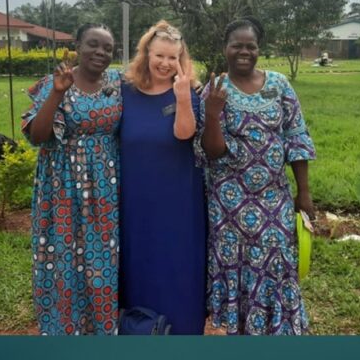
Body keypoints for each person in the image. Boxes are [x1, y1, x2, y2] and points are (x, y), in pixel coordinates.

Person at [199, 17, 316, 335]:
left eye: (250, 46)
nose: (243, 51)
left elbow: (297, 138)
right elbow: (211, 151)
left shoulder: (279, 85)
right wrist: (212, 113)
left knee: (275, 262)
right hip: (228, 202)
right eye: (237, 45)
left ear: (259, 49)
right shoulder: (215, 88)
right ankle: (235, 331)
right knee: (232, 264)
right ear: (225, 48)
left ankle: (274, 330)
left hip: (274, 197)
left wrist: (303, 192)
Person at [22, 23, 122, 336]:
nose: (101, 52)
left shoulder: (118, 82)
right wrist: (57, 92)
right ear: (77, 46)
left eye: (107, 48)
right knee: (62, 260)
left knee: (102, 260)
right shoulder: (54, 83)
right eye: (93, 44)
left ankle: (102, 331)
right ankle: (63, 332)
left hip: (105, 187)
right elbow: (38, 136)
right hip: (61, 187)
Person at [118, 20, 206, 335]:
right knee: (139, 263)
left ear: (181, 60)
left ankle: (182, 332)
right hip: (135, 197)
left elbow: (184, 134)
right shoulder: (124, 90)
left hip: (178, 198)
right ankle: (139, 329)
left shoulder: (187, 90)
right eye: (159, 56)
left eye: (173, 57)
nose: (165, 64)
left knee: (177, 265)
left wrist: (181, 96)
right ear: (146, 54)